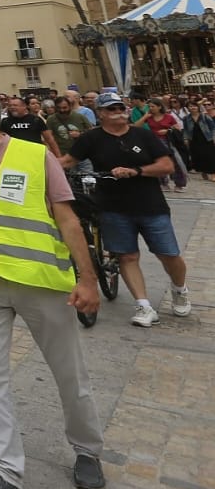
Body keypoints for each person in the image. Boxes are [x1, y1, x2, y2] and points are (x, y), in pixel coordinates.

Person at [0, 87, 107, 489]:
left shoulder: (35, 155)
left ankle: (87, 450)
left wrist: (87, 279)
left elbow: (66, 218)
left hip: (39, 280)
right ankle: (6, 469)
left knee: (69, 373)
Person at [61, 92, 193, 325]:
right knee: (127, 256)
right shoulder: (91, 138)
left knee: (169, 254)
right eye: (111, 109)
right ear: (101, 113)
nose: (118, 112)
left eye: (120, 108)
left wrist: (136, 171)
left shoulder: (142, 135)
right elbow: (67, 161)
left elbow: (166, 165)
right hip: (112, 206)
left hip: (150, 205)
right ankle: (143, 306)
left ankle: (179, 288)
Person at [141, 98, 188, 191]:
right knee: (158, 162)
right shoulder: (149, 117)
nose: (151, 108)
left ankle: (179, 184)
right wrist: (144, 117)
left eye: (153, 106)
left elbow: (177, 129)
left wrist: (167, 131)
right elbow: (136, 126)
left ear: (159, 107)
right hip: (155, 142)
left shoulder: (169, 117)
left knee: (175, 162)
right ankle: (163, 183)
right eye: (149, 107)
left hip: (168, 142)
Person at [45, 93, 93, 159]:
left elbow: (91, 133)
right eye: (59, 108)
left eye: (64, 108)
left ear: (70, 106)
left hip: (82, 154)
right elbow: (49, 137)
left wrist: (80, 134)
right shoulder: (51, 119)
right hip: (62, 154)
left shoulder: (80, 117)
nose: (62, 110)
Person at [185, 99, 215, 181]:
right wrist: (186, 138)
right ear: (187, 108)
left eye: (194, 106)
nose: (193, 107)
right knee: (199, 156)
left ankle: (213, 174)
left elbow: (213, 128)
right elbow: (186, 129)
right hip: (194, 139)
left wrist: (213, 137)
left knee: (210, 156)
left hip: (207, 138)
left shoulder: (205, 116)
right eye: (190, 106)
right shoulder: (186, 118)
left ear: (198, 107)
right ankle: (203, 171)